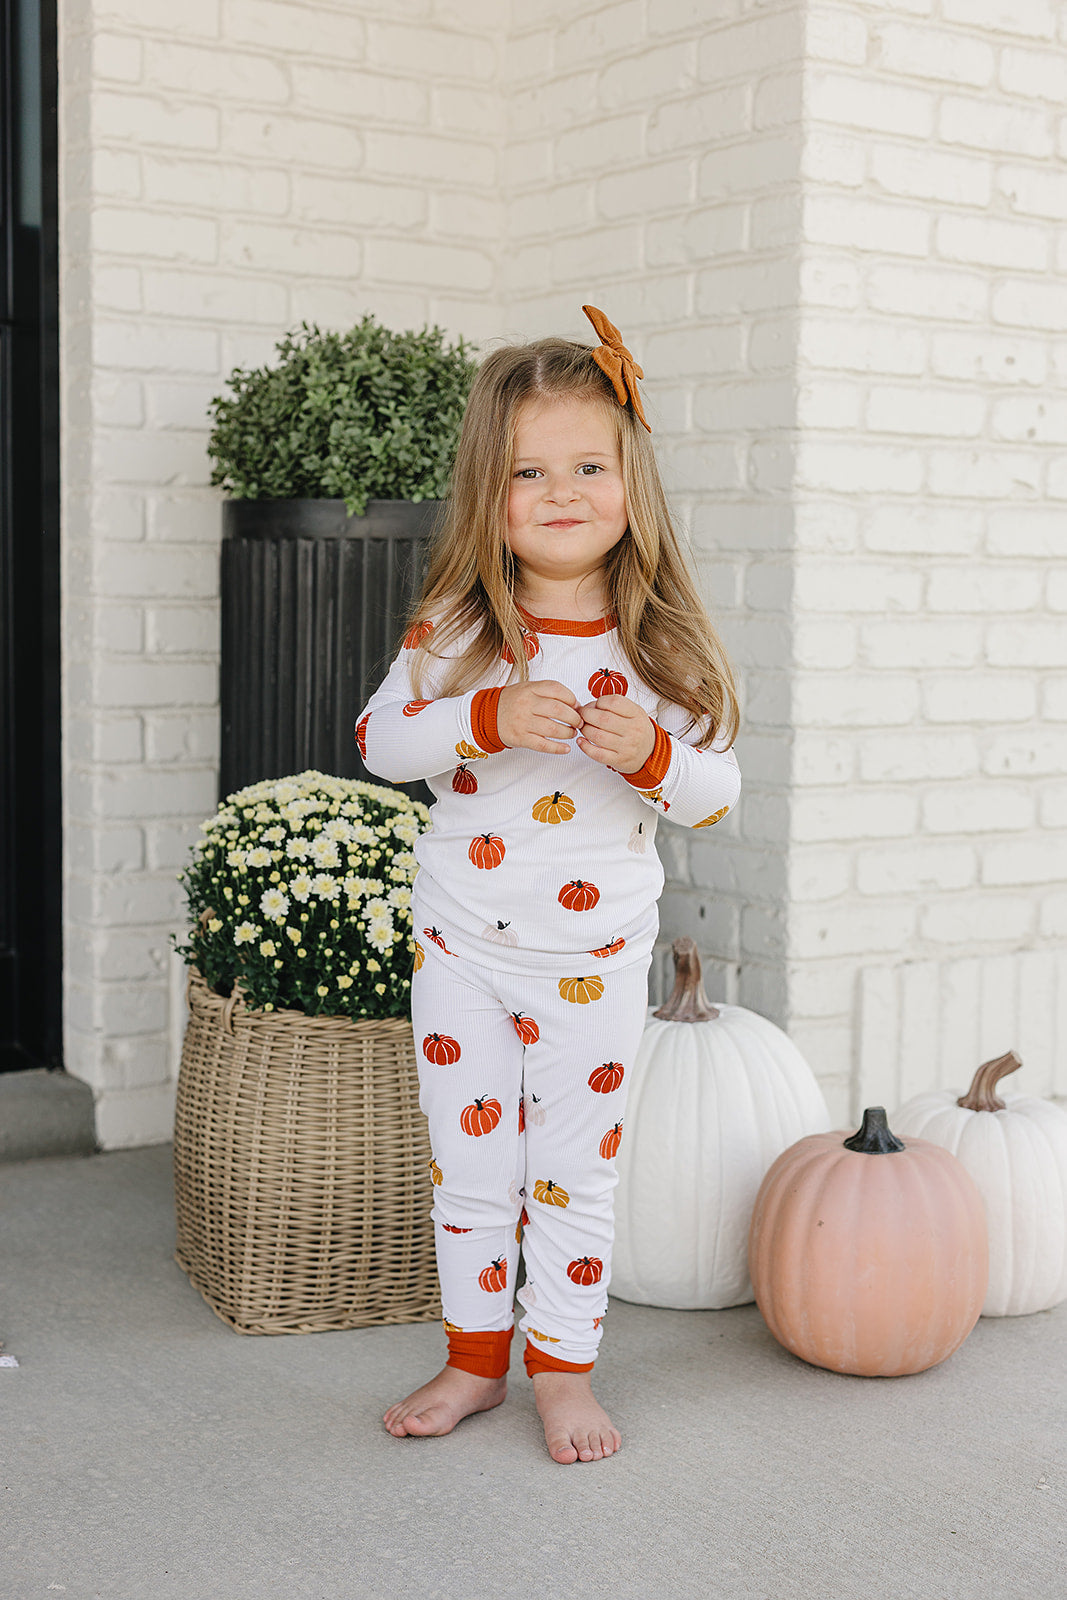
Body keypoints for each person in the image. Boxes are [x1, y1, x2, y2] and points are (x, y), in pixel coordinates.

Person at [355, 304, 741, 1465]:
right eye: (529, 471)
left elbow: (716, 793)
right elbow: (381, 740)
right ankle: (474, 1361)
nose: (560, 492)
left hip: (593, 966)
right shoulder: (458, 629)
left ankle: (562, 1370)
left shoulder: (656, 645)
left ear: (630, 483)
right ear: (489, 491)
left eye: (587, 467)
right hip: (461, 951)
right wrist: (480, 715)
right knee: (470, 1169)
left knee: (574, 1175)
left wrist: (652, 755)